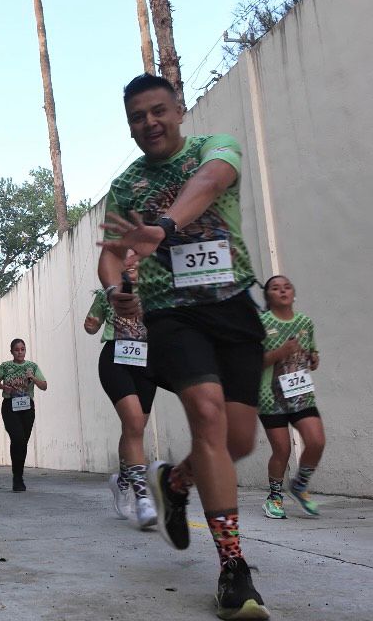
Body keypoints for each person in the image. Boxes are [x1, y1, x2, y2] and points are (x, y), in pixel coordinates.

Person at [98, 73, 270, 619]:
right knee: (207, 413)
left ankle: (176, 481)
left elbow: (214, 182)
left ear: (178, 110)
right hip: (171, 316)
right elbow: (110, 251)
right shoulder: (126, 187)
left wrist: (164, 227)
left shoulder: (214, 149)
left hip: (234, 308)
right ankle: (233, 571)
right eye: (135, 117)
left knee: (239, 441)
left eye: (156, 111)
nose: (148, 123)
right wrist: (114, 290)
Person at [84, 251, 158, 528]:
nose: (131, 262)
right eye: (125, 259)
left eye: (136, 258)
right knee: (134, 423)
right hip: (115, 359)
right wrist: (91, 323)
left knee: (135, 429)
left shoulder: (154, 293)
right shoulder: (108, 294)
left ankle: (122, 481)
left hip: (147, 362)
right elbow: (91, 326)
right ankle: (143, 499)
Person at [257, 275, 325, 519]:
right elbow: (253, 361)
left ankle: (300, 484)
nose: (283, 291)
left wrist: (314, 358)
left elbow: (311, 351)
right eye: (276, 288)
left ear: (293, 293)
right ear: (268, 296)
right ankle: (274, 497)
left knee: (316, 441)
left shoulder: (305, 322)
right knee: (282, 449)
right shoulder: (261, 322)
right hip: (269, 396)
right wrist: (280, 352)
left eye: (287, 287)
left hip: (300, 394)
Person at [0, 338, 48, 492]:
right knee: (17, 438)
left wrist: (33, 378)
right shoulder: (6, 366)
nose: (20, 352)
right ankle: (17, 477)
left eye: (22, 349)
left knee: (22, 442)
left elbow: (44, 386)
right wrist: (4, 387)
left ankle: (19, 475)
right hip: (10, 405)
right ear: (12, 351)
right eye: (17, 349)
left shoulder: (32, 366)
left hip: (27, 406)